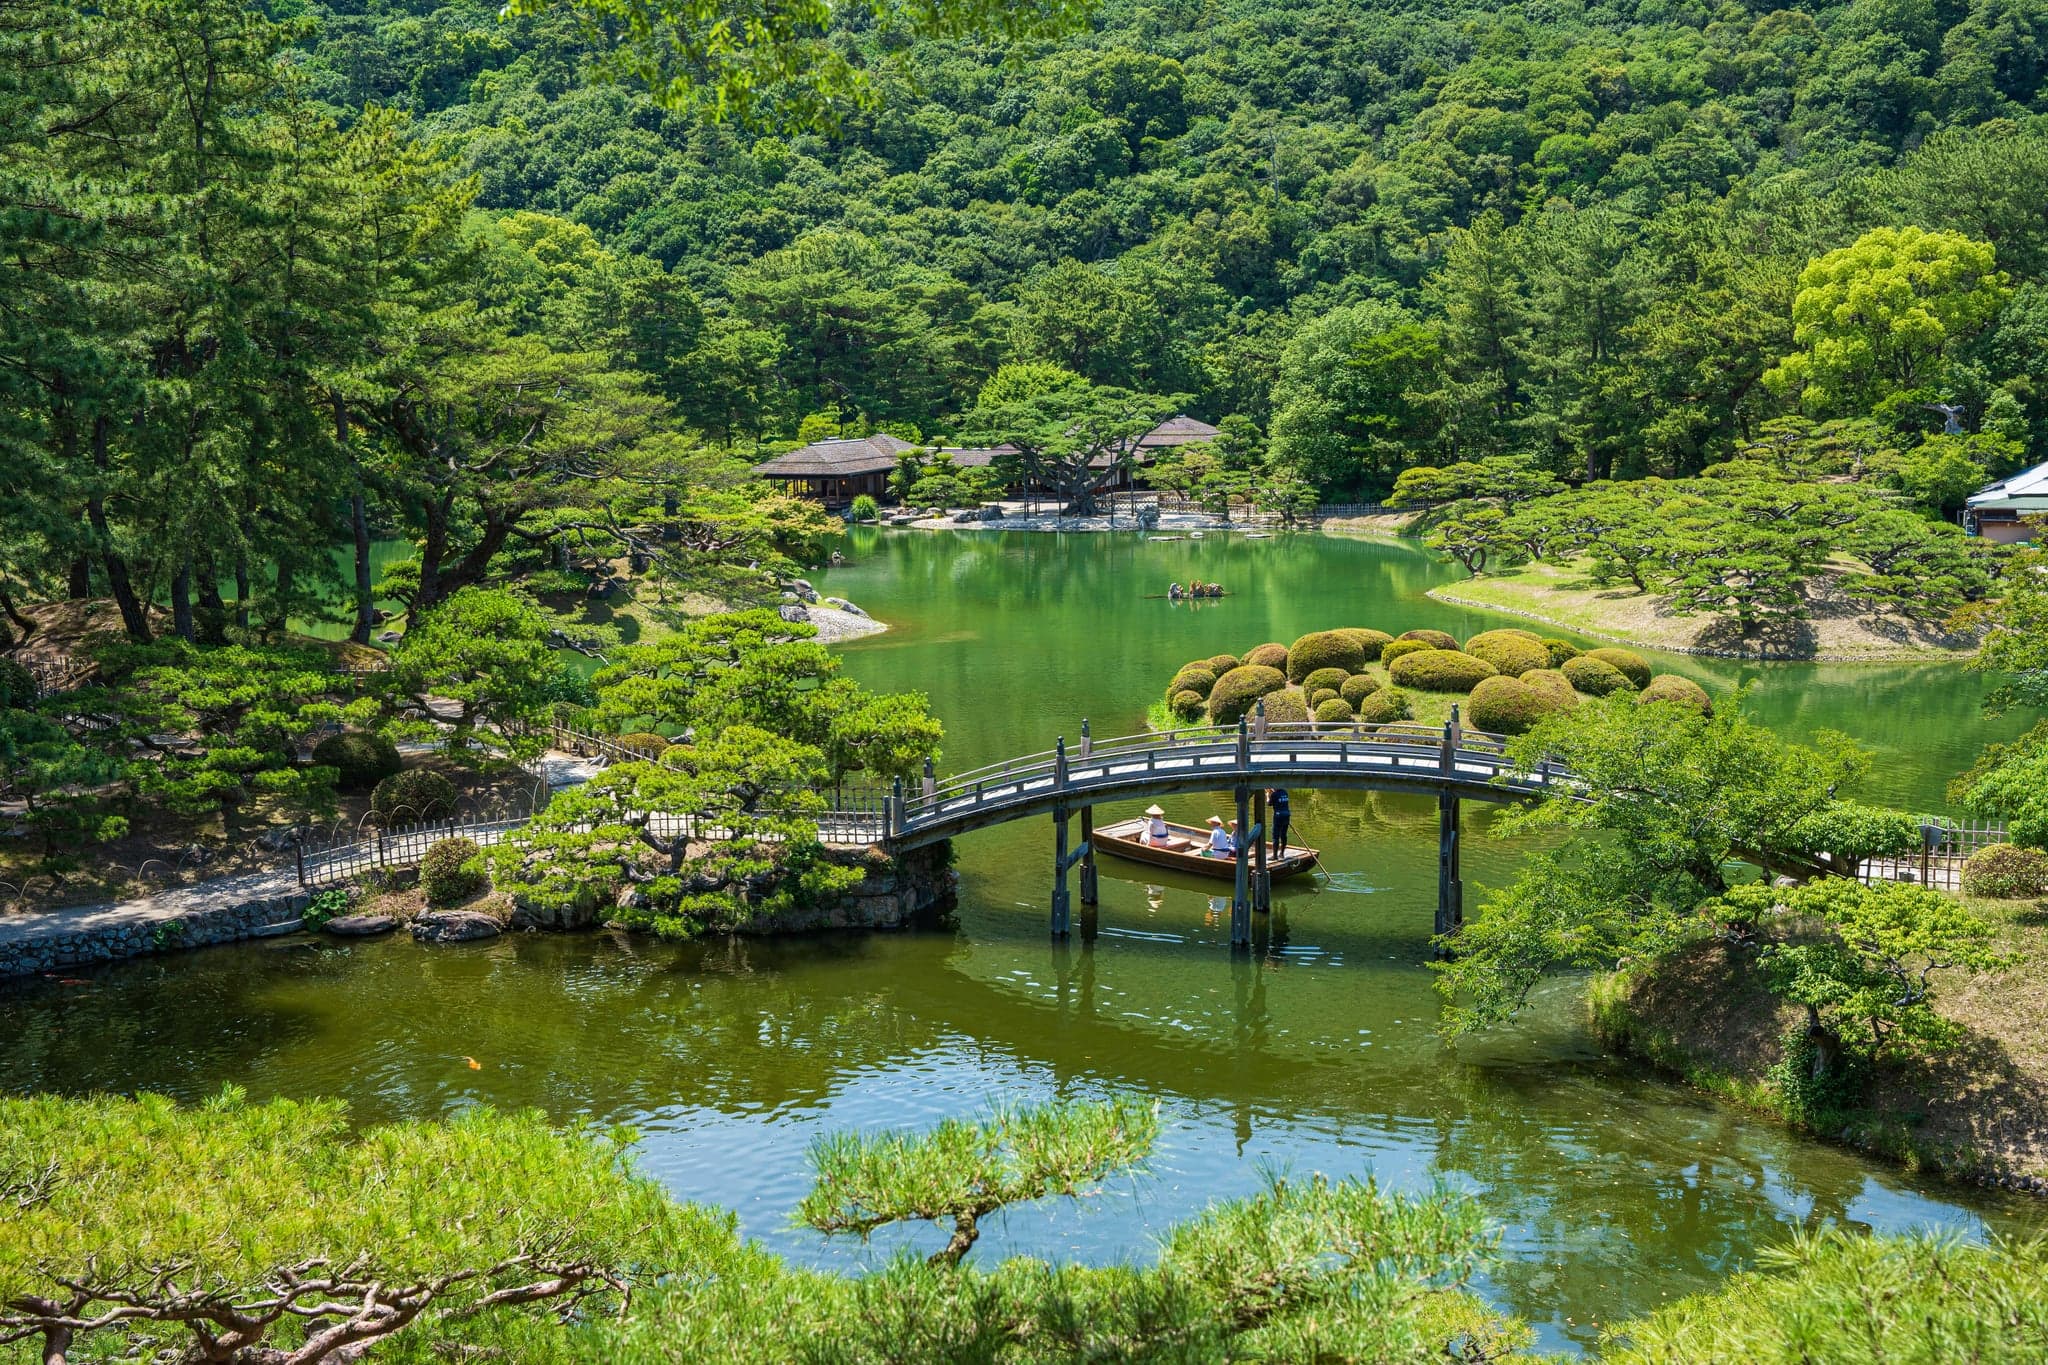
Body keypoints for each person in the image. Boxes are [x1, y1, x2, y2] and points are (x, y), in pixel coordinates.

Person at [1267, 787, 1291, 856]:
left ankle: (1275, 856)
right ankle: (1282, 854)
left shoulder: (1274, 794)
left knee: (1275, 836)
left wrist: (1268, 796)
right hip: (1286, 815)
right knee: (1283, 835)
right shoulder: (1285, 792)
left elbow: (1269, 803)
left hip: (1278, 816)